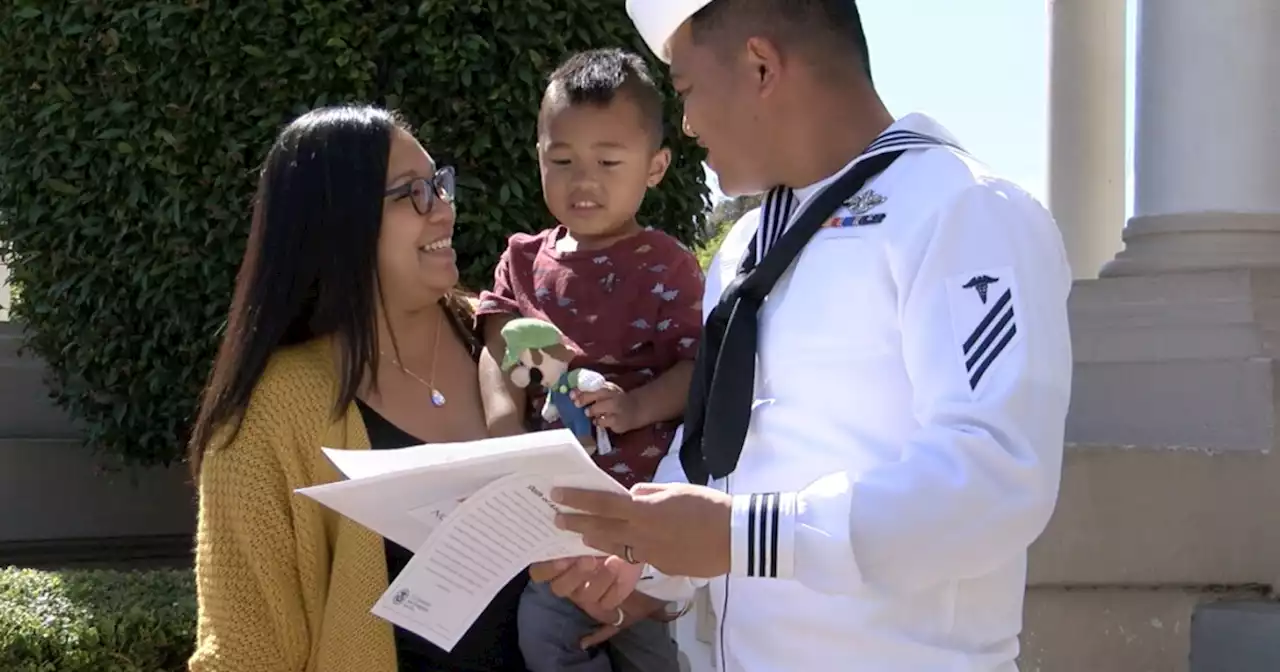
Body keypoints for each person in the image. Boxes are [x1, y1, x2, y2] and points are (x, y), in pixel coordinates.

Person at [533, 1, 1074, 671]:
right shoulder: (741, 250)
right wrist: (638, 556)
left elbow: (996, 478)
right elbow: (716, 453)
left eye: (689, 92)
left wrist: (741, 536)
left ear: (761, 66)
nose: (690, 124)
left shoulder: (964, 209)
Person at [188, 105, 528, 672]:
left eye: (439, 185)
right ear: (337, 220)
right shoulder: (269, 414)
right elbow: (245, 652)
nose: (442, 210)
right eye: (411, 193)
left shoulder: (507, 340)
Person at [476, 48, 702, 672]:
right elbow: (496, 336)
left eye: (608, 161)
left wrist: (633, 407)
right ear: (538, 157)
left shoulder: (667, 265)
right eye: (563, 160)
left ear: (655, 167)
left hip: (645, 523)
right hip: (556, 518)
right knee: (545, 634)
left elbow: (696, 370)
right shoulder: (523, 260)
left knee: (658, 653)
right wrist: (503, 431)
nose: (584, 181)